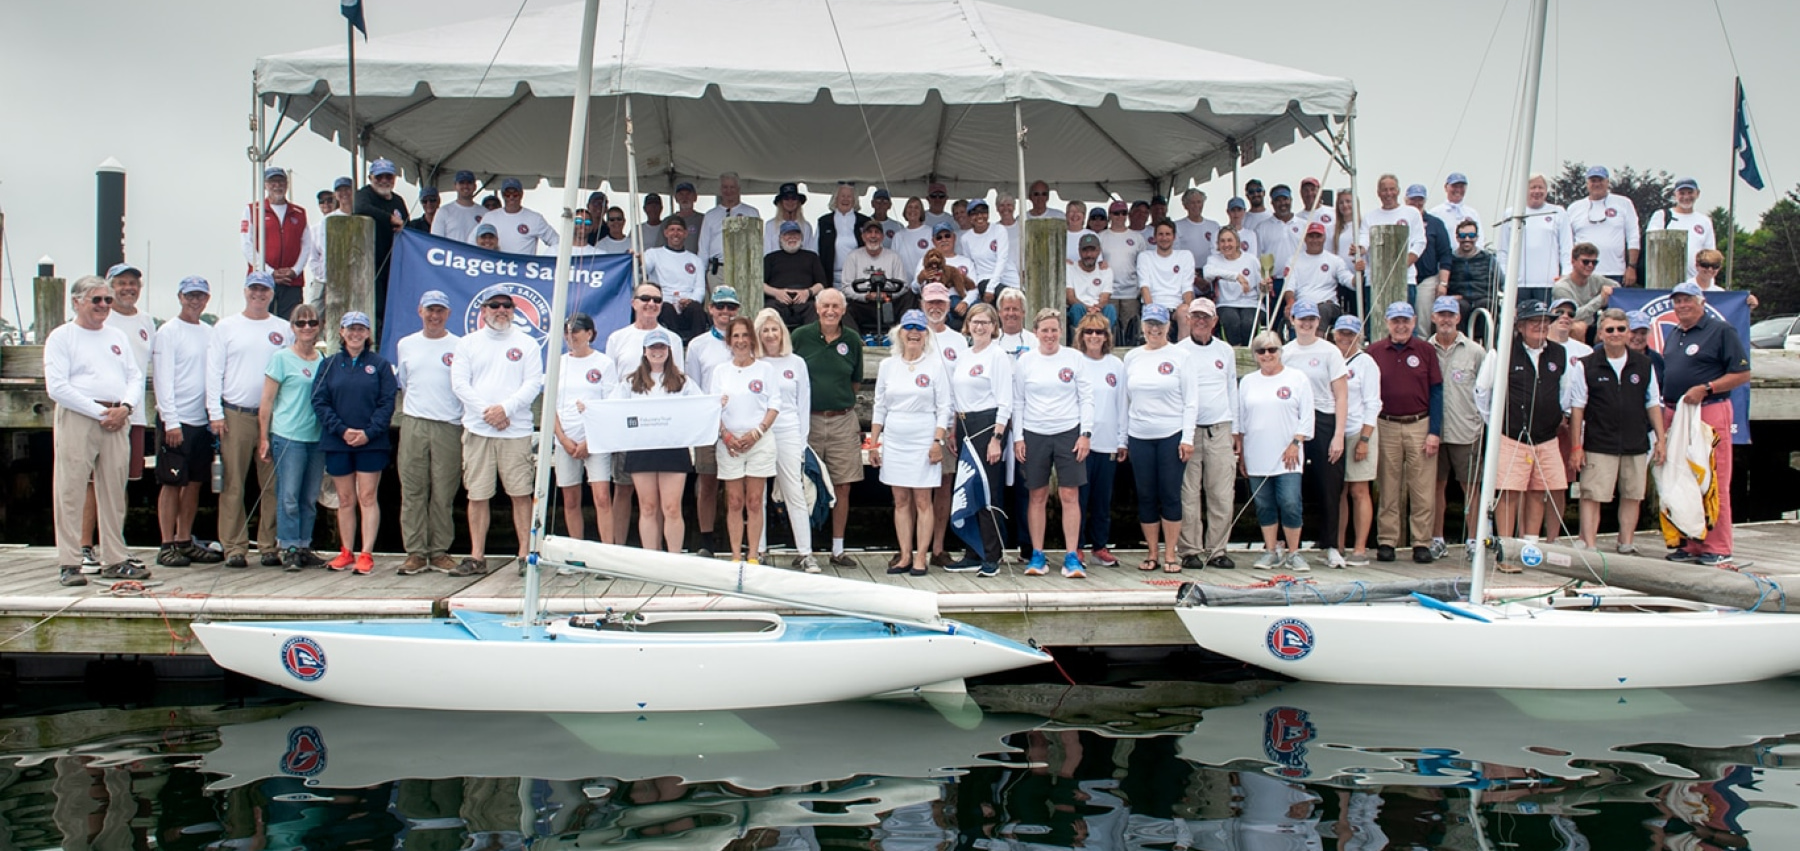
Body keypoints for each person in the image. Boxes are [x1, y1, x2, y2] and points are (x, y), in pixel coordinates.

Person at [44, 275, 147, 587]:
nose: (104, 305)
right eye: (97, 300)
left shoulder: (116, 336)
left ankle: (115, 558)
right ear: (77, 302)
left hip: (117, 416)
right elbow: (57, 387)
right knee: (71, 489)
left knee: (115, 491)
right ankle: (70, 562)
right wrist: (99, 412)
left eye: (107, 300)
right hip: (79, 416)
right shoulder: (62, 337)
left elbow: (135, 375)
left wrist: (126, 407)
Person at [449, 284, 544, 575]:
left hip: (515, 431)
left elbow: (533, 383)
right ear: (483, 310)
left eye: (507, 305)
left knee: (520, 493)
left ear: (514, 311)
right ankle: (477, 557)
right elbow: (460, 384)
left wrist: (506, 409)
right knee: (477, 495)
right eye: (495, 305)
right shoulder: (467, 343)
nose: (501, 310)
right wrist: (487, 412)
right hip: (479, 429)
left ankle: (524, 555)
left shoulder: (528, 342)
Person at [1659, 282, 1751, 566]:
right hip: (1676, 412)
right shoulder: (1675, 334)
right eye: (1677, 301)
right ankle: (1689, 543)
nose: (1682, 306)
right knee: (1679, 477)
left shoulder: (1721, 331)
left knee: (1713, 478)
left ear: (1701, 302)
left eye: (1687, 300)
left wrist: (1707, 387)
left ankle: (1717, 545)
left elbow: (1742, 374)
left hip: (1708, 410)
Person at [208, 271, 290, 568]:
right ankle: (234, 547)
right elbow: (213, 371)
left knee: (272, 484)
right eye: (254, 289)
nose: (259, 295)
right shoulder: (226, 326)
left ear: (272, 294)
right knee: (233, 483)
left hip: (273, 416)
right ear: (245, 291)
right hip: (235, 414)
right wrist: (214, 413)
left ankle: (269, 545)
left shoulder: (284, 328)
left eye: (264, 290)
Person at [1569, 308, 1667, 554]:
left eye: (1621, 329)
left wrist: (1661, 439)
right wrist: (1576, 447)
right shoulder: (1586, 365)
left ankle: (1626, 543)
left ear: (1628, 333)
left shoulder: (1644, 365)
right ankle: (1590, 545)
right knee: (1593, 494)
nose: (1615, 334)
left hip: (1636, 441)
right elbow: (1577, 408)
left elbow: (1653, 403)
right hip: (1598, 441)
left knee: (1633, 494)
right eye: (1610, 329)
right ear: (1601, 333)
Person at [1474, 300, 1569, 552]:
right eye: (1534, 321)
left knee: (1541, 490)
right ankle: (1506, 550)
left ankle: (1531, 548)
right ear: (1520, 326)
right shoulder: (1500, 351)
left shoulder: (1560, 353)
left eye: (1545, 321)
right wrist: (1494, 424)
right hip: (1510, 435)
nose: (1540, 326)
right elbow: (1482, 392)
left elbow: (1565, 392)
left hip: (1547, 437)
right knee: (1509, 492)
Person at [1012, 309, 1096, 579]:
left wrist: (1086, 433)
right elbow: (1018, 401)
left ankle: (1072, 556)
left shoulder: (1074, 358)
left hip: (1068, 432)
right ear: (1035, 332)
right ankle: (1037, 554)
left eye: (1054, 330)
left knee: (1069, 495)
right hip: (1034, 433)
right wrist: (1018, 437)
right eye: (1044, 330)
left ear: (1061, 331)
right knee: (1037, 495)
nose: (1049, 335)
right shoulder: (1025, 361)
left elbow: (1087, 398)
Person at [311, 311, 395, 575]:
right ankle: (346, 551)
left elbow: (387, 402)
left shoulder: (379, 365)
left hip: (371, 441)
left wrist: (368, 432)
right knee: (345, 499)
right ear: (341, 332)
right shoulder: (329, 364)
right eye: (350, 329)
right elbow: (319, 400)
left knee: (367, 497)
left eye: (361, 329)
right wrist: (341, 429)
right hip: (338, 441)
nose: (355, 334)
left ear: (368, 333)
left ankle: (366, 553)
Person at [871, 310, 953, 577]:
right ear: (900, 332)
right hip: (895, 437)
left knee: (923, 499)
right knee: (901, 499)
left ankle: (921, 557)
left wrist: (937, 440)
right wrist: (874, 443)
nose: (914, 333)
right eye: (909, 328)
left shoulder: (935, 365)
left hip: (924, 435)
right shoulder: (888, 365)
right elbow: (879, 406)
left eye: (919, 328)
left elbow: (944, 407)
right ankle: (904, 555)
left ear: (926, 334)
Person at [152, 277, 224, 568]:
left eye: (201, 296)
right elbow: (162, 379)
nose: (196, 301)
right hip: (176, 420)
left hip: (201, 420)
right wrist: (170, 420)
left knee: (194, 483)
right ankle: (166, 543)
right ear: (180, 297)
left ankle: (185, 539)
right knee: (171, 483)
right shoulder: (168, 332)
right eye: (190, 296)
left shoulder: (210, 332)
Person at [1121, 303, 1196, 573]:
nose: (1155, 329)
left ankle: (1171, 554)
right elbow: (1124, 402)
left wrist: (1187, 437)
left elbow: (1191, 401)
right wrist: (1122, 439)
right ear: (1143, 326)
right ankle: (1152, 552)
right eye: (1150, 324)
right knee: (1146, 495)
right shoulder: (1131, 357)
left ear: (1169, 326)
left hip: (1171, 435)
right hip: (1139, 435)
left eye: (1160, 324)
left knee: (1170, 495)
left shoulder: (1181, 356)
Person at [1367, 302, 1443, 564]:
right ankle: (1387, 540)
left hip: (1419, 423)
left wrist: (1434, 431)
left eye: (1405, 321)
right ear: (1387, 322)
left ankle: (1421, 542)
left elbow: (1436, 391)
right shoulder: (1374, 351)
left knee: (1422, 488)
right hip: (1386, 423)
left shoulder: (1426, 350)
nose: (1400, 326)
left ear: (1413, 322)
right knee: (1388, 485)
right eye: (1395, 321)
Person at [393, 290, 463, 575]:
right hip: (414, 422)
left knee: (444, 490)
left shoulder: (460, 345)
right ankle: (415, 552)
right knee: (412, 489)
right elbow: (406, 382)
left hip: (449, 424)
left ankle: (439, 550)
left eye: (440, 311)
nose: (435, 316)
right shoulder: (406, 344)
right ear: (420, 311)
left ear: (448, 314)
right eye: (430, 310)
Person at [792, 289, 863, 566]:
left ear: (843, 310)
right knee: (803, 482)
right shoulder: (800, 337)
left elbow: (855, 382)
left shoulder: (853, 340)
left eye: (836, 306)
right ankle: (804, 549)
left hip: (842, 420)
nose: (831, 311)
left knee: (843, 485)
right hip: (807, 420)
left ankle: (837, 549)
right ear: (817, 308)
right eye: (826, 306)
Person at [255, 303, 326, 571]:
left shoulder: (322, 361)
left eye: (312, 323)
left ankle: (305, 545)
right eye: (300, 323)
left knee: (309, 497)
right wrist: (264, 437)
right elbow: (267, 401)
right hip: (288, 436)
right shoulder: (281, 358)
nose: (307, 328)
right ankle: (288, 546)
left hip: (316, 437)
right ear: (293, 327)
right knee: (288, 496)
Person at [1236, 331, 1313, 571]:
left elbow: (1307, 416)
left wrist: (1296, 443)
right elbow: (1240, 420)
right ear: (1255, 355)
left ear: (1281, 351)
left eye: (1272, 350)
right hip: (1256, 452)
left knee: (1290, 502)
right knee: (1264, 504)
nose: (1267, 355)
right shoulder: (1248, 381)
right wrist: (1241, 452)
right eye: (1261, 351)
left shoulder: (1297, 378)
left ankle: (1293, 552)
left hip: (1288, 454)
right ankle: (1271, 550)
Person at [946, 303, 1013, 577]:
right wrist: (952, 429)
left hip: (987, 426)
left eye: (986, 322)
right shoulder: (963, 356)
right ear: (968, 325)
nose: (980, 326)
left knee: (987, 492)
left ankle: (992, 555)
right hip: (963, 426)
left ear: (994, 326)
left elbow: (1005, 401)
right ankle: (972, 551)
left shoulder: (998, 356)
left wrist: (997, 437)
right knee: (967, 489)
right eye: (975, 321)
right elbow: (955, 397)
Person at [618, 328, 699, 553]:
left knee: (672, 507)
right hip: (641, 449)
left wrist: (717, 403)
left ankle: (673, 560)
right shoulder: (630, 382)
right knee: (648, 507)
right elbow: (613, 410)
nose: (657, 351)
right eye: (653, 347)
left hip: (673, 449)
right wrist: (587, 409)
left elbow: (701, 407)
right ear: (644, 351)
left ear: (669, 351)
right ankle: (651, 560)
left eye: (661, 347)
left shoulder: (683, 381)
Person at [1282, 301, 1348, 569]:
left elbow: (1342, 394)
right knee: (1289, 483)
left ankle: (1330, 545)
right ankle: (1287, 547)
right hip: (1293, 420)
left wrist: (1339, 434)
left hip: (1324, 419)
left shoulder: (1330, 351)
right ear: (1293, 320)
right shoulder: (1284, 352)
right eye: (1302, 319)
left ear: (1318, 321)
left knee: (1329, 485)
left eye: (1311, 319)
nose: (1306, 324)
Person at [1174, 298, 1238, 571]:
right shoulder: (1178, 351)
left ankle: (1217, 549)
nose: (1201, 321)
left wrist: (1236, 430)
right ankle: (1189, 550)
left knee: (1221, 493)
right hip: (1188, 431)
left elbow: (1232, 389)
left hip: (1220, 427)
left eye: (1206, 317)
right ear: (1188, 319)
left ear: (1214, 321)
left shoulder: (1225, 351)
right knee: (1188, 493)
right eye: (1196, 316)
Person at [712, 316, 782, 564]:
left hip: (759, 442)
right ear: (729, 341)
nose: (740, 341)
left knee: (754, 501)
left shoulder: (765, 370)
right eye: (736, 336)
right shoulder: (721, 372)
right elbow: (712, 408)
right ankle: (735, 555)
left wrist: (757, 433)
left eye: (744, 335)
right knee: (734, 501)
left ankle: (753, 555)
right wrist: (726, 435)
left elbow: (774, 405)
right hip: (729, 443)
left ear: (752, 339)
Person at [754, 309, 819, 572]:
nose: (770, 335)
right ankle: (758, 549)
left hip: (789, 432)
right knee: (757, 494)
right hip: (759, 434)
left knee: (794, 491)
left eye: (775, 329)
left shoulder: (796, 363)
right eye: (765, 330)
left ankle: (805, 553)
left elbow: (804, 403)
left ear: (782, 332)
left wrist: (802, 442)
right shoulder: (754, 364)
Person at [551, 313, 617, 545]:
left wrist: (589, 441)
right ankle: (575, 553)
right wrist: (562, 438)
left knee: (601, 498)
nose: (571, 336)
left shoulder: (604, 363)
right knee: (570, 500)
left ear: (589, 333)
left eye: (576, 331)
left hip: (595, 441)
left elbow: (609, 405)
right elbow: (551, 405)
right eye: (567, 332)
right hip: (564, 441)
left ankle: (607, 553)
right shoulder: (557, 362)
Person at [1428, 296, 1487, 555]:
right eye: (1441, 314)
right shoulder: (1424, 349)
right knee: (1435, 486)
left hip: (1467, 430)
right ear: (1433, 318)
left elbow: (1487, 393)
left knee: (1471, 487)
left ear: (1458, 318)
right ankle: (1436, 539)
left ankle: (1474, 539)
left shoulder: (1476, 352)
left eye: (1450, 315)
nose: (1446, 319)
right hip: (1433, 432)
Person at [685, 285, 741, 557]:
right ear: (710, 309)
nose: (725, 312)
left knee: (736, 485)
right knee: (707, 483)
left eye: (731, 307)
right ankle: (706, 539)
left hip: (740, 423)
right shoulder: (697, 345)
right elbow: (692, 386)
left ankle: (736, 540)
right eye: (720, 306)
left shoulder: (746, 341)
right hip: (709, 425)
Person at [1072, 314, 1127, 568]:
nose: (1094, 336)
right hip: (1080, 443)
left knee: (1102, 500)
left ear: (1107, 336)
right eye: (1089, 332)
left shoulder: (1116, 365)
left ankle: (1100, 546)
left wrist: (1122, 440)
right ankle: (1077, 546)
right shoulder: (1075, 362)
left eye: (1099, 332)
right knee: (1078, 498)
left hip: (1107, 442)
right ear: (1081, 335)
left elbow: (1122, 405)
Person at [1332, 315, 1381, 565]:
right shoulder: (1330, 359)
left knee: (1359, 490)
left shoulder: (1366, 363)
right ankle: (1337, 546)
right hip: (1334, 431)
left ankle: (1360, 548)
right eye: (1342, 333)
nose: (1345, 338)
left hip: (1359, 430)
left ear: (1359, 336)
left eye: (1351, 334)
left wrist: (1365, 438)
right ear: (1334, 334)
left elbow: (1373, 403)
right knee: (1338, 490)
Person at [241, 166, 313, 319]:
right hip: (261, 280)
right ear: (265, 185)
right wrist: (269, 272)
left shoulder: (299, 213)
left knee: (291, 323)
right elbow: (247, 244)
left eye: (281, 181)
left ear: (286, 184)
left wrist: (295, 271)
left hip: (291, 282)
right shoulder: (253, 210)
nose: (277, 185)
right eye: (272, 182)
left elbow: (306, 245)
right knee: (260, 320)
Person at [352, 159, 410, 326]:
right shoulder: (364, 194)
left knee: (390, 307)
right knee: (374, 308)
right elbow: (361, 208)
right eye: (379, 177)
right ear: (371, 177)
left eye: (388, 176)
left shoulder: (398, 200)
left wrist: (402, 227)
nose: (384, 180)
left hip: (393, 264)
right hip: (369, 264)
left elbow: (407, 224)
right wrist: (389, 219)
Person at [1565, 165, 1640, 285]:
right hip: (1583, 272)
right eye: (1593, 181)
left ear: (1607, 182)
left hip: (1615, 271)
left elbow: (1633, 237)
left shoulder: (1624, 203)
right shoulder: (1574, 208)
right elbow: (1567, 242)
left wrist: (1632, 266)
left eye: (1600, 180)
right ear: (1587, 183)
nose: (1597, 184)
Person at [1497, 173, 1574, 291]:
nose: (1537, 191)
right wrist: (1506, 276)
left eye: (1540, 187)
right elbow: (1503, 250)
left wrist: (1566, 274)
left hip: (1548, 283)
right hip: (1518, 284)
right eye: (1533, 187)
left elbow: (1566, 248)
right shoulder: (1511, 213)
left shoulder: (1558, 212)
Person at [1355, 175, 1427, 290]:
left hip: (1405, 279)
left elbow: (1420, 242)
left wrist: (1401, 265)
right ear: (1378, 193)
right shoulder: (1369, 217)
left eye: (1392, 189)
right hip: (1376, 281)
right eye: (1384, 190)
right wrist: (1359, 249)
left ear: (1398, 191)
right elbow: (1364, 241)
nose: (1388, 193)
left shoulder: (1412, 213)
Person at [840, 218, 910, 337]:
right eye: (869, 232)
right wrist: (866, 296)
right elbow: (846, 287)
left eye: (877, 232)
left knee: (909, 297)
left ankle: (903, 336)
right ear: (863, 236)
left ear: (882, 237)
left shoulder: (893, 257)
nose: (873, 236)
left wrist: (888, 295)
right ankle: (856, 340)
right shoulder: (853, 256)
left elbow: (904, 285)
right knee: (842, 305)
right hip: (863, 302)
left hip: (888, 301)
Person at [642, 217, 707, 339]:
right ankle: (674, 342)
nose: (675, 233)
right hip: (665, 304)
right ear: (666, 233)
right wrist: (637, 258)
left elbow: (700, 289)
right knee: (665, 308)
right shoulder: (653, 254)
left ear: (685, 233)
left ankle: (696, 344)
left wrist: (689, 300)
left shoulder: (695, 260)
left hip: (687, 305)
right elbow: (643, 268)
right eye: (672, 230)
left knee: (696, 308)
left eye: (679, 230)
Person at [1280, 222, 1352, 330]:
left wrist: (1359, 272)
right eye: (1311, 236)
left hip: (1328, 305)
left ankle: (1318, 341)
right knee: (1297, 312)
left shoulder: (1335, 260)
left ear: (1324, 238)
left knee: (1323, 310)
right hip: (1303, 305)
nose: (1314, 240)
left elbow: (1349, 281)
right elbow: (1289, 286)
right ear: (1305, 238)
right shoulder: (1293, 260)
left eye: (1318, 236)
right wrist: (1290, 302)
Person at [1202, 228, 1268, 346]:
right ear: (1218, 244)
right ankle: (1235, 350)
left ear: (1237, 242)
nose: (1226, 244)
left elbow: (1261, 289)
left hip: (1250, 303)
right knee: (1231, 320)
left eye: (1230, 240)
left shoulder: (1251, 259)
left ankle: (1249, 351)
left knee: (1248, 322)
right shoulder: (1214, 260)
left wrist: (1265, 286)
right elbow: (1207, 274)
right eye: (1222, 241)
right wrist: (1236, 276)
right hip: (1225, 303)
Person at [1643, 177, 1717, 280]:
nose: (1686, 197)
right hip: (1666, 278)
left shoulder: (1704, 221)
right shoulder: (1662, 216)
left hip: (1696, 282)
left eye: (1690, 192)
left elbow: (1710, 254)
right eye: (1682, 193)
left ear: (1697, 193)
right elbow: (1652, 244)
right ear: (1675, 195)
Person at [764, 221, 828, 328]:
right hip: (777, 301)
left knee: (816, 309)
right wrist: (776, 293)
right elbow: (760, 284)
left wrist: (808, 292)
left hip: (805, 301)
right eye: (787, 234)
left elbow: (822, 284)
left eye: (795, 234)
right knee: (769, 311)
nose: (792, 237)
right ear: (780, 238)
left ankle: (810, 342)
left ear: (801, 237)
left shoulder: (811, 257)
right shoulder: (770, 258)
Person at [1136, 220, 1196, 335]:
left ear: (1174, 237)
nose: (1164, 238)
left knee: (1185, 311)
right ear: (1154, 237)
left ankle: (1184, 350)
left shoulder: (1185, 256)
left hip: (1176, 307)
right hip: (1154, 305)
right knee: (1154, 316)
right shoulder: (1145, 257)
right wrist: (1152, 310)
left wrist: (1190, 311)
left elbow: (1187, 288)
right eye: (1160, 234)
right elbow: (1144, 287)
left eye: (1168, 234)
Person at [1099, 201, 1146, 343]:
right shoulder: (1101, 236)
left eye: (1123, 213)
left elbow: (1142, 265)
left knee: (1130, 330)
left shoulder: (1137, 238)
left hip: (1130, 292)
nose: (1120, 216)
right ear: (1110, 215)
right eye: (1116, 213)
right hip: (1108, 292)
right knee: (1109, 329)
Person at [1446, 218, 1503, 335]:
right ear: (1457, 238)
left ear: (1476, 237)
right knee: (1457, 307)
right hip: (1461, 299)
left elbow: (1502, 282)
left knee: (1487, 305)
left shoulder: (1488, 259)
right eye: (1463, 235)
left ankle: (1489, 346)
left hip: (1483, 297)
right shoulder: (1450, 260)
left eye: (1471, 235)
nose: (1467, 239)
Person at [700, 172, 758, 283]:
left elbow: (756, 246)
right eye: (725, 187)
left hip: (742, 269)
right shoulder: (710, 215)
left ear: (739, 189)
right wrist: (701, 276)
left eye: (732, 187)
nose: (729, 191)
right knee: (718, 301)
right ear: (720, 190)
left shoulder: (751, 212)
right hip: (718, 270)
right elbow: (703, 249)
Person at [478, 177, 557, 255]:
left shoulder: (535, 218)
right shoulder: (489, 217)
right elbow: (472, 242)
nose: (511, 197)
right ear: (502, 195)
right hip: (496, 265)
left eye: (515, 194)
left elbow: (556, 242)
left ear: (521, 194)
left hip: (524, 266)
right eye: (507, 194)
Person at [1551, 242, 1611, 342]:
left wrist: (1608, 294)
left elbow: (1617, 287)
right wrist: (1601, 299)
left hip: (1592, 325)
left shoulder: (1596, 279)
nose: (1590, 265)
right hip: (1567, 326)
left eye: (1594, 262)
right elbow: (1573, 315)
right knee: (1579, 328)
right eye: (1585, 262)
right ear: (1573, 262)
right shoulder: (1562, 287)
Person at [1405, 184, 1454, 305]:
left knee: (1423, 322)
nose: (1416, 203)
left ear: (1425, 200)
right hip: (1404, 277)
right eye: (1413, 199)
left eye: (1420, 199)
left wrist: (1443, 283)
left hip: (1427, 279)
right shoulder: (1399, 221)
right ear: (1406, 200)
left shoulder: (1435, 224)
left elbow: (1445, 254)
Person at [817, 182, 869, 290]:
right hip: (831, 277)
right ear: (835, 199)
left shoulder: (865, 221)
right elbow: (815, 251)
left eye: (849, 196)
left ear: (854, 200)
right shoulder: (824, 221)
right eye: (842, 196)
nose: (845, 199)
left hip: (858, 277)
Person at [959, 198, 1012, 303]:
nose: (979, 216)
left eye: (983, 212)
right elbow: (971, 265)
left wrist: (991, 288)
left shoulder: (999, 230)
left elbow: (1002, 259)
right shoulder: (965, 238)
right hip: (983, 281)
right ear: (969, 217)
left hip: (1005, 278)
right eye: (975, 213)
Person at [1065, 233, 1116, 331]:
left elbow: (1105, 298)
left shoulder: (1106, 271)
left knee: (1110, 309)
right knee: (1076, 308)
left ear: (1099, 251)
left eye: (1093, 250)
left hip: (1099, 310)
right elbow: (1070, 297)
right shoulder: (1070, 269)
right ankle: (1081, 338)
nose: (1089, 255)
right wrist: (1088, 309)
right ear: (1079, 251)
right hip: (1081, 310)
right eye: (1085, 250)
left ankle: (1105, 338)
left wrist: (1097, 308)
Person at [1429, 172, 1483, 247]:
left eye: (1461, 187)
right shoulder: (1435, 213)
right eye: (1454, 186)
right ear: (1446, 187)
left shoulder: (1472, 213)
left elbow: (1480, 240)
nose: (1458, 190)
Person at [1691, 248, 1758, 307]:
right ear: (1697, 265)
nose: (1710, 269)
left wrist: (1747, 303)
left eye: (1715, 266)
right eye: (1705, 265)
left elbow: (1731, 313)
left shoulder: (1721, 293)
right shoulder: (1684, 287)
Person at [307, 187, 340, 304]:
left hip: (341, 280)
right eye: (322, 201)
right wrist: (321, 274)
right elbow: (312, 256)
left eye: (329, 200)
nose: (326, 204)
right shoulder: (314, 229)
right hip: (321, 280)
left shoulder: (346, 222)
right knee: (314, 313)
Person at [431, 170, 484, 243]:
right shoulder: (443, 211)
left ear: (475, 186)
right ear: (455, 186)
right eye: (461, 183)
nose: (465, 186)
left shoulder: (485, 213)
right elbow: (435, 241)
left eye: (469, 182)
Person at [1173, 189, 1221, 261]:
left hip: (1210, 269)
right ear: (1185, 206)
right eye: (1192, 203)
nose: (1196, 205)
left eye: (1199, 202)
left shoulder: (1214, 226)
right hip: (1187, 270)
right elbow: (1175, 252)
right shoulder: (1176, 226)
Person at [894, 197, 933, 281]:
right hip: (904, 286)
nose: (913, 210)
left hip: (926, 284)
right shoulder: (898, 236)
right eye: (910, 207)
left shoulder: (930, 232)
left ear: (921, 212)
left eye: (916, 207)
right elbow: (894, 262)